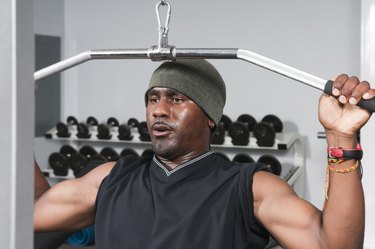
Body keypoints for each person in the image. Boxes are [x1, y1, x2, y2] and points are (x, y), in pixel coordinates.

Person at [34, 59, 375, 249]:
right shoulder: (110, 179)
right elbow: (28, 216)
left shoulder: (248, 188)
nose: (160, 110)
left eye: (177, 99)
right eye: (153, 98)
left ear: (210, 116)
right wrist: (14, 120)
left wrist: (340, 136)